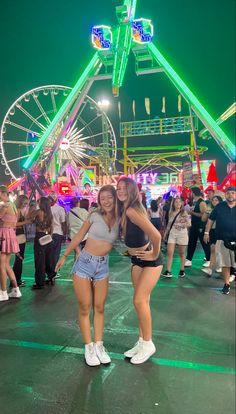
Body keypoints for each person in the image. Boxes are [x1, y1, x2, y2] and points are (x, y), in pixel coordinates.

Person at [56, 185, 119, 366]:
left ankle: (99, 345)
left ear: (115, 199)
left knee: (99, 308)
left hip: (102, 266)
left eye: (109, 197)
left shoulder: (120, 219)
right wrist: (65, 255)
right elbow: (78, 237)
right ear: (99, 201)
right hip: (84, 264)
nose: (106, 201)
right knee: (85, 307)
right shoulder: (93, 216)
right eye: (103, 198)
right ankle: (88, 347)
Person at [116, 177, 163, 364]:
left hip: (150, 262)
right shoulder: (130, 209)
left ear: (132, 190)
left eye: (124, 188)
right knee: (142, 303)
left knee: (139, 300)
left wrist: (153, 254)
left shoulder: (132, 210)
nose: (120, 191)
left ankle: (148, 343)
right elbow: (141, 236)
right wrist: (132, 251)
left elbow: (156, 234)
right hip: (137, 260)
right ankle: (141, 341)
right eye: (118, 188)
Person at [203, 186, 236, 295]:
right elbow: (210, 220)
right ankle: (226, 284)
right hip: (222, 239)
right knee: (225, 264)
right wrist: (206, 232)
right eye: (228, 193)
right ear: (225, 195)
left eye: (233, 193)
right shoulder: (219, 207)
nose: (230, 195)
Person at [0, 186, 22, 301]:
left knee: (2, 265)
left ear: (2, 193)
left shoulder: (5, 206)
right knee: (7, 264)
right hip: (10, 234)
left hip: (3, 234)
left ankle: (3, 292)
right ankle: (15, 290)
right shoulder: (12, 205)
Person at [162, 197, 191, 278]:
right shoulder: (171, 212)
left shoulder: (185, 212)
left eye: (179, 202)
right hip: (172, 234)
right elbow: (169, 224)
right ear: (173, 204)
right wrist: (165, 234)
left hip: (182, 235)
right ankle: (168, 271)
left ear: (182, 203)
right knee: (169, 252)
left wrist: (182, 224)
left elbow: (189, 224)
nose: (178, 204)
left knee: (181, 253)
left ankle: (182, 270)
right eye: (176, 202)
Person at [33, 197, 56, 289]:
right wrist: (50, 235)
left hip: (40, 236)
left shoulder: (38, 212)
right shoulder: (50, 213)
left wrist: (32, 207)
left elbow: (29, 217)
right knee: (48, 259)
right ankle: (51, 277)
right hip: (48, 237)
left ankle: (40, 282)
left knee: (40, 261)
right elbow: (52, 227)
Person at [185, 187, 210, 267]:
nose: (190, 194)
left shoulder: (202, 202)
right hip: (194, 225)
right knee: (192, 242)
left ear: (193, 193)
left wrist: (192, 213)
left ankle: (209, 259)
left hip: (200, 226)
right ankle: (189, 259)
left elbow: (204, 215)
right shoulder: (194, 202)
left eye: (190, 192)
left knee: (204, 242)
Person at [12, 195, 32, 287]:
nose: (25, 205)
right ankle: (17, 281)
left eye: (26, 204)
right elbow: (14, 224)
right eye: (24, 203)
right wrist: (26, 222)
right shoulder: (17, 210)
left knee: (19, 259)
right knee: (19, 259)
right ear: (20, 202)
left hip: (18, 235)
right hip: (18, 236)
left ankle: (16, 280)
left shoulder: (17, 209)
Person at [201, 195, 223, 277]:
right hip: (212, 231)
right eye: (213, 200)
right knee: (214, 249)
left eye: (216, 200)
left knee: (218, 250)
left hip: (221, 232)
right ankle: (212, 268)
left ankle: (217, 267)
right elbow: (203, 219)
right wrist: (207, 212)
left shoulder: (223, 210)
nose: (214, 202)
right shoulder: (210, 210)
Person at [48, 193, 66, 275]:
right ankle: (54, 272)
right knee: (56, 254)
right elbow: (63, 223)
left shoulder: (46, 209)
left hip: (48, 234)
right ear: (56, 200)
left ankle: (49, 272)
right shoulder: (60, 209)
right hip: (58, 233)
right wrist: (64, 234)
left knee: (49, 253)